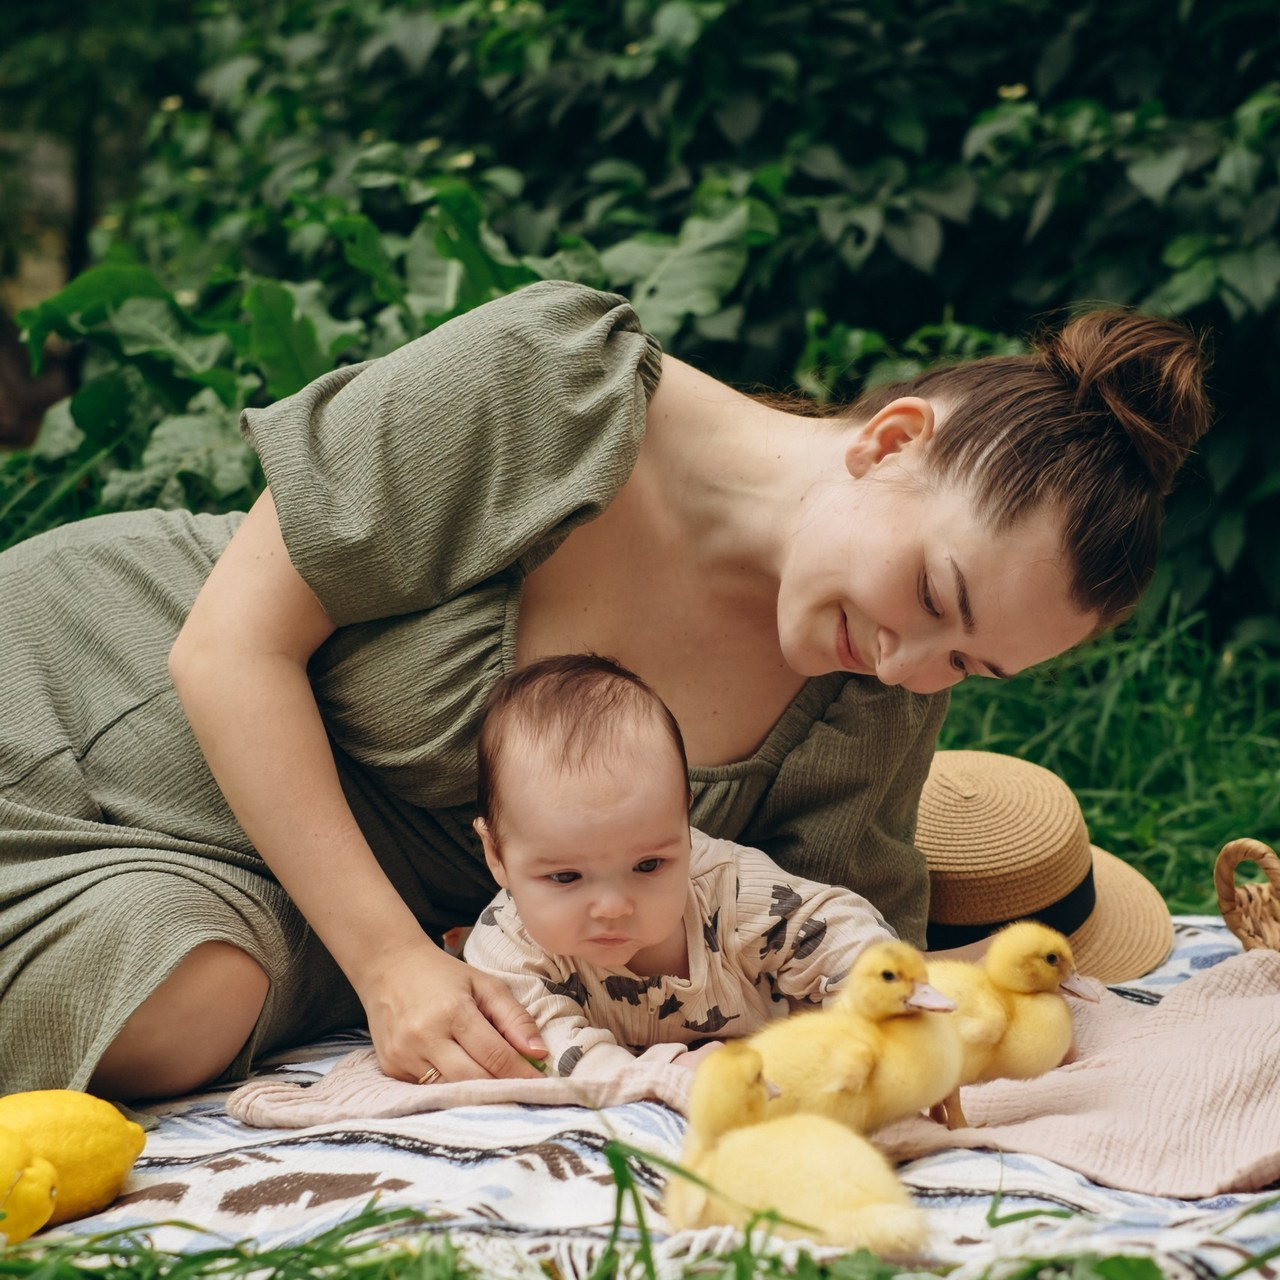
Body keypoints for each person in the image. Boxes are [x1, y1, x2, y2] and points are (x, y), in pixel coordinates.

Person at [0, 279, 1211, 1100]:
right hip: (88, 701)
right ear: (891, 441)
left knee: (180, 1001)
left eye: (965, 663)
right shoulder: (552, 386)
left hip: (257, 895)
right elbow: (225, 648)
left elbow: (856, 966)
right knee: (180, 1001)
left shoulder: (868, 693)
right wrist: (392, 965)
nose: (907, 663)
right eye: (933, 596)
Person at [462, 653, 897, 1081]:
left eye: (649, 865)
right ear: (496, 854)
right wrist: (668, 1075)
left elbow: (837, 927)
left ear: (684, 822)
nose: (613, 907)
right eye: (565, 877)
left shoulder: (727, 887)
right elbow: (547, 1054)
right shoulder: (506, 951)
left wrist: (876, 1012)